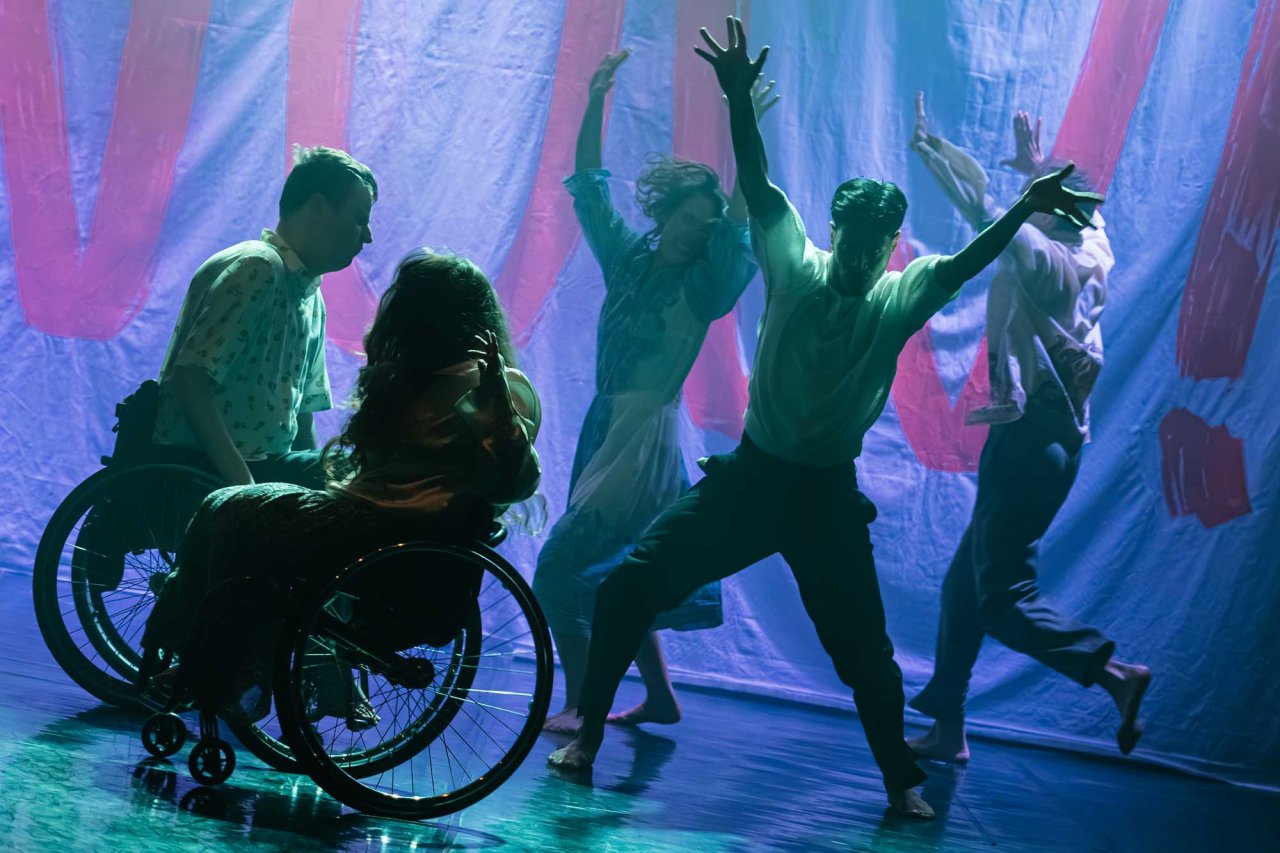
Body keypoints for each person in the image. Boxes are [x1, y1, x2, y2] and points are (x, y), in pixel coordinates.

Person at [548, 18, 1103, 820]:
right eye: (854, 241)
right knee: (629, 584)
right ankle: (587, 738)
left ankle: (902, 782)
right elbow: (758, 181)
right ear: (834, 231)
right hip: (752, 478)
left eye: (877, 246)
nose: (861, 257)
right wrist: (739, 102)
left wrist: (1022, 207)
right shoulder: (794, 261)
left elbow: (970, 260)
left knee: (866, 655)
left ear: (891, 244)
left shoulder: (901, 293)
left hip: (824, 498)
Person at [140, 251, 541, 726]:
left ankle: (214, 666)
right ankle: (220, 665)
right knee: (234, 520)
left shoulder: (499, 386)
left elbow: (515, 482)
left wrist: (494, 402)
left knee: (229, 509)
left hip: (389, 532)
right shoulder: (412, 378)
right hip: (365, 520)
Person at [905, 94, 1151, 763]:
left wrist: (932, 153)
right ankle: (948, 728)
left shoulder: (1046, 263)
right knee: (965, 587)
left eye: (1035, 199)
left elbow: (991, 217)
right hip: (1056, 441)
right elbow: (1069, 212)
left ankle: (1113, 674)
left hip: (1026, 441)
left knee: (1001, 598)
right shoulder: (1094, 248)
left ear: (1045, 213)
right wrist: (1040, 167)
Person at [532, 49, 771, 734]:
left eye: (706, 225)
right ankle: (660, 697)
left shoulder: (703, 285)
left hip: (642, 443)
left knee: (558, 572)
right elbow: (589, 187)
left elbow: (738, 226)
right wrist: (594, 101)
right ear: (665, 215)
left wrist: (745, 123)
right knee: (624, 574)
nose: (700, 231)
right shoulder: (630, 259)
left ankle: (581, 704)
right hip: (606, 427)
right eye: (690, 219)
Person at [152, 145, 377, 489]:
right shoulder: (258, 267)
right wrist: (244, 487)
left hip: (263, 467)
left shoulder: (311, 297)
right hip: (202, 468)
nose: (368, 236)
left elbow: (303, 414)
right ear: (317, 207)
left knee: (346, 476)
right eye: (359, 219)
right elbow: (190, 378)